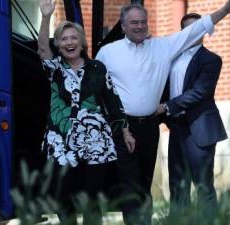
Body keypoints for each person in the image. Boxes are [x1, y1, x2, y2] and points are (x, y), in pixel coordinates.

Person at [95, 0, 230, 224]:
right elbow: (96, 88)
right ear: (123, 26)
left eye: (143, 22)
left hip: (153, 127)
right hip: (123, 127)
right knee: (129, 182)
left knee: (147, 182)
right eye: (134, 22)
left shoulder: (163, 47)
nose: (139, 26)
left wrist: (224, 10)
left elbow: (197, 29)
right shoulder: (108, 52)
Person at [37, 0, 136, 224]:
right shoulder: (55, 69)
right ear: (59, 44)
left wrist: (126, 131)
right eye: (63, 39)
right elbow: (43, 48)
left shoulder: (97, 68)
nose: (69, 42)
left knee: (92, 200)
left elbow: (113, 101)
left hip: (94, 141)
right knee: (64, 200)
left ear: (81, 42)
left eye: (73, 38)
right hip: (62, 144)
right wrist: (45, 17)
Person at [156, 13, 227, 218]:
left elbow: (199, 92)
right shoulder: (171, 58)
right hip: (176, 126)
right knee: (177, 183)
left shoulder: (211, 60)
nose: (193, 32)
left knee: (203, 184)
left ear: (204, 31)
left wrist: (167, 106)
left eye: (197, 28)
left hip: (199, 128)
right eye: (188, 29)